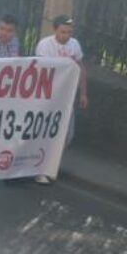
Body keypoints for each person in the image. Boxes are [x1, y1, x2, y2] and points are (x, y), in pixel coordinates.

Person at [34, 14, 89, 185]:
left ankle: (50, 164)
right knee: (45, 132)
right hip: (48, 97)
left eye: (69, 32)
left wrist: (83, 93)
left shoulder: (75, 45)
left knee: (67, 135)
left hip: (67, 97)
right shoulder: (45, 45)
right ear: (55, 30)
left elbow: (81, 68)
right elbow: (42, 72)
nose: (66, 36)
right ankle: (40, 168)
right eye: (63, 32)